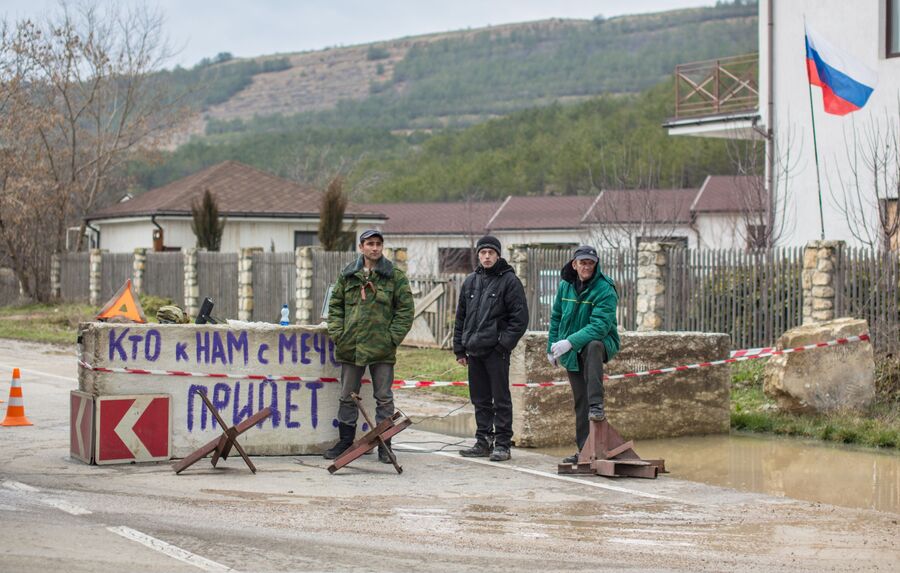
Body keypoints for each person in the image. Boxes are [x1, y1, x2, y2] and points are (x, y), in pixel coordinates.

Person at [324, 229, 414, 463]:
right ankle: (345, 442)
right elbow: (335, 307)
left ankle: (385, 444)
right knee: (347, 396)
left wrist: (391, 338)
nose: (374, 248)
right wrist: (338, 334)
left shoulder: (394, 276)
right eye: (370, 244)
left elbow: (405, 311)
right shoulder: (348, 274)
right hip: (351, 347)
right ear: (361, 247)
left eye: (378, 244)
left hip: (382, 349)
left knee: (383, 397)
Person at [453, 235, 529, 462]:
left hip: (496, 351)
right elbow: (461, 317)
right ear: (478, 255)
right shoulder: (470, 282)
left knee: (501, 398)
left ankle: (503, 444)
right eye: (483, 253)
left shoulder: (509, 282)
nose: (487, 257)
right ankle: (483, 441)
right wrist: (459, 348)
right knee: (480, 398)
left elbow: (520, 319)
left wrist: (502, 344)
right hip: (474, 350)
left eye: (491, 253)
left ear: (498, 255)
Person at [547, 245, 620, 465]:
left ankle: (597, 404)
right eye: (582, 262)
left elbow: (599, 326)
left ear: (595, 264)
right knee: (580, 401)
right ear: (574, 264)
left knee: (593, 344)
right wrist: (551, 347)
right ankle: (584, 451)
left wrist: (569, 342)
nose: (586, 266)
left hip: (600, 345)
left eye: (590, 263)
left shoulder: (605, 288)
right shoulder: (565, 286)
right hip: (571, 349)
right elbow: (556, 317)